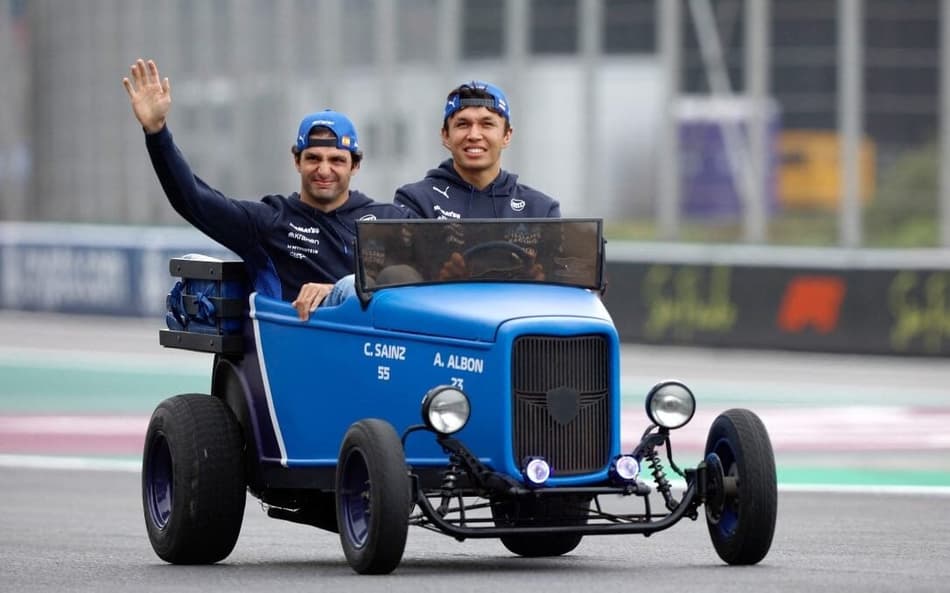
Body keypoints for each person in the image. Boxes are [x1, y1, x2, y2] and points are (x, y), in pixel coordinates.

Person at [122, 58, 409, 321]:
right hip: (302, 346)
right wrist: (157, 132)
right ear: (297, 161)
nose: (324, 170)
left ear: (355, 165)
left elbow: (422, 282)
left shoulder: (387, 220)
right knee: (348, 288)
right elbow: (193, 199)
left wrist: (335, 289)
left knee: (353, 287)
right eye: (313, 158)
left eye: (336, 160)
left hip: (378, 349)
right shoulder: (270, 221)